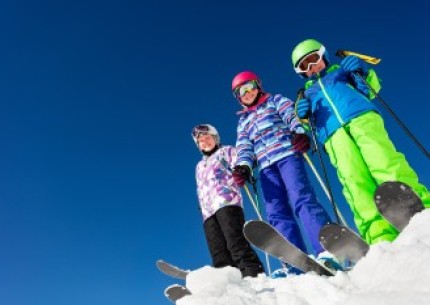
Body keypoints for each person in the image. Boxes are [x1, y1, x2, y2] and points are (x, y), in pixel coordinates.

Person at [291, 38, 430, 245]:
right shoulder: (306, 94)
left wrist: (362, 72)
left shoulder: (341, 72)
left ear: (323, 55)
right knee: (353, 180)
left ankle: (419, 210)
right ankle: (378, 234)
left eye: (313, 59)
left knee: (383, 161)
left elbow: (372, 87)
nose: (311, 67)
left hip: (361, 118)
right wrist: (302, 114)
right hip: (332, 136)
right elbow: (303, 123)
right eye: (304, 66)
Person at [230, 71, 338, 270]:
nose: (246, 93)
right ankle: (294, 262)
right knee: (276, 213)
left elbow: (291, 117)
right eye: (240, 91)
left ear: (258, 85)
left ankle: (327, 250)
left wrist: (299, 133)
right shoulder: (243, 122)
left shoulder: (275, 100)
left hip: (287, 155)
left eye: (249, 87)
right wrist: (244, 167)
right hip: (265, 168)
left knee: (301, 198)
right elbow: (244, 147)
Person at [192, 123, 265, 278]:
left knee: (235, 242)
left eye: (208, 138)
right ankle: (228, 283)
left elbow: (244, 161)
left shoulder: (227, 151)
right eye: (201, 141)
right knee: (217, 251)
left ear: (215, 138)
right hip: (207, 212)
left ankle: (253, 275)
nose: (205, 142)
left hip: (227, 203)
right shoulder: (199, 166)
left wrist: (243, 170)